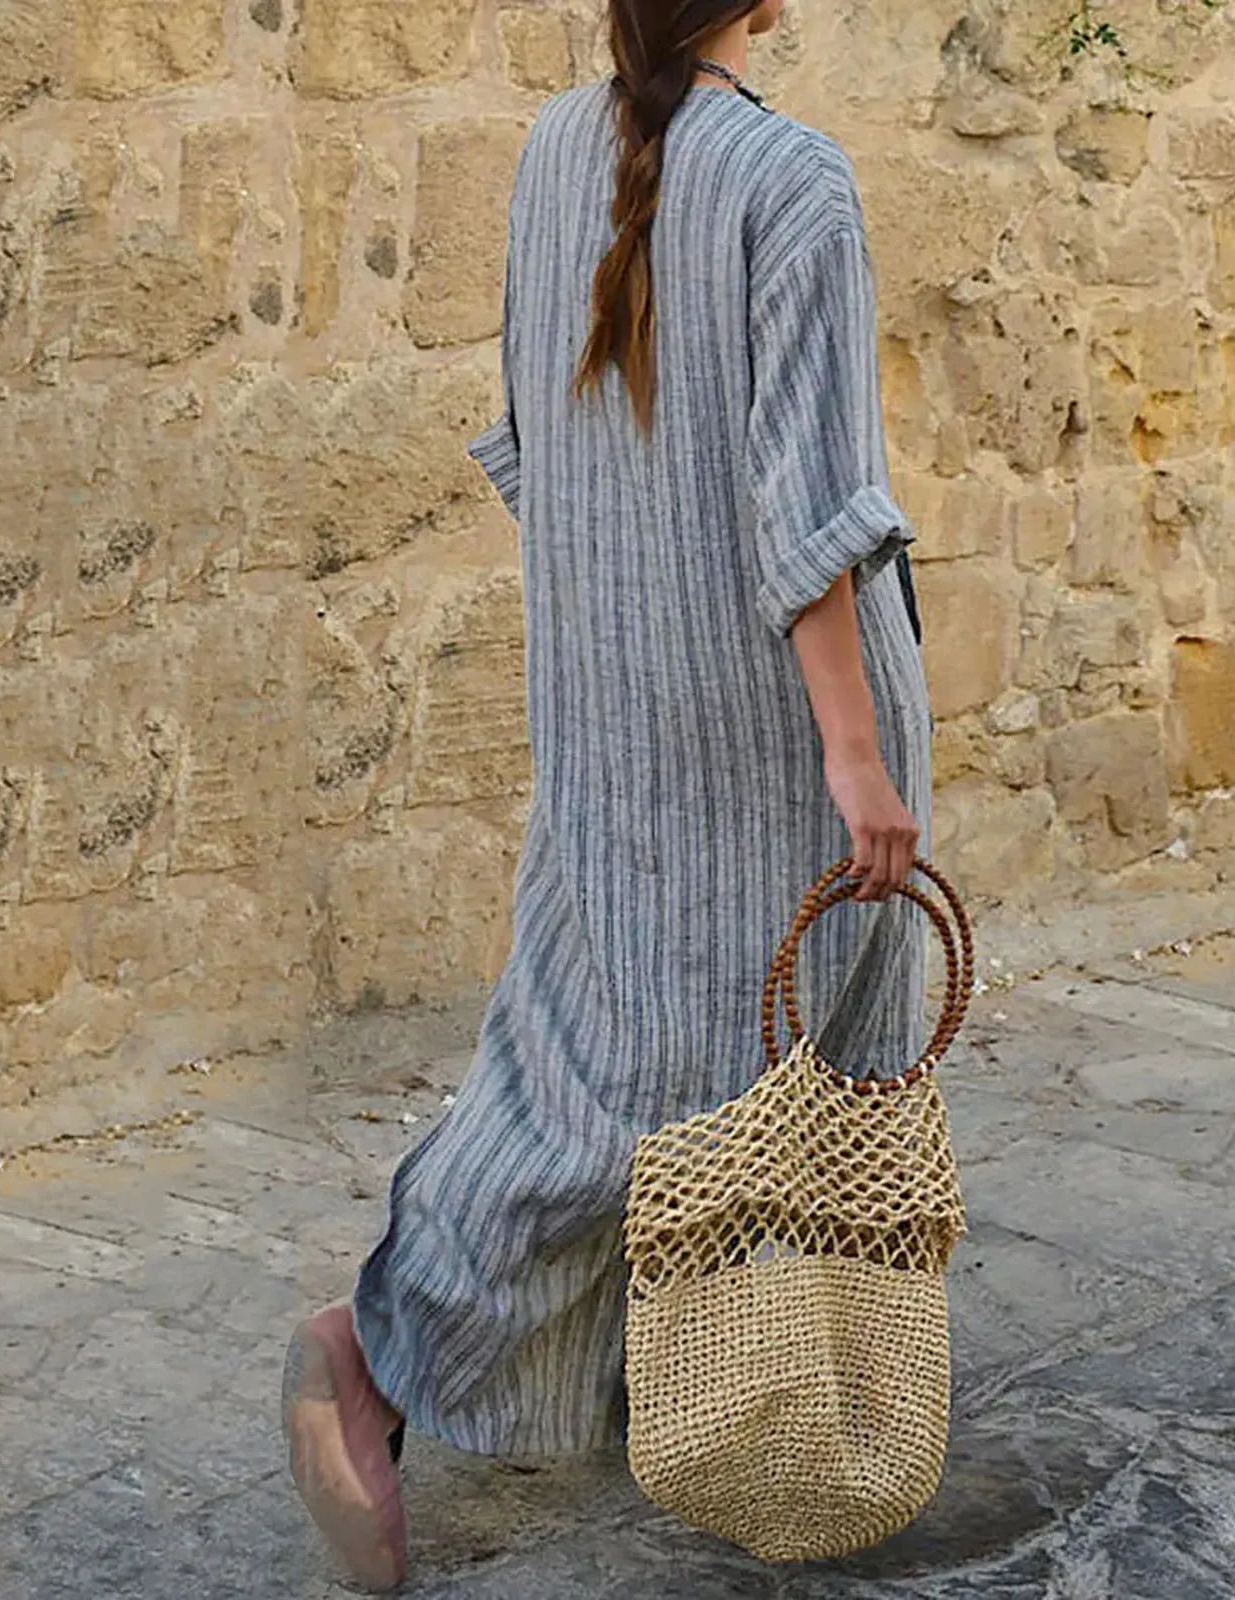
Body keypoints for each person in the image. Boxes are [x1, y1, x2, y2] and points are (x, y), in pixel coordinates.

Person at [280, 1, 931, 1588]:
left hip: (618, 705)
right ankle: (379, 1344)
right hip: (778, 734)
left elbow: (541, 451)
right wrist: (857, 757)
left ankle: (705, 1400)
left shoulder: (552, 149)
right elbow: (812, 513)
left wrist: (615, 664)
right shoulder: (794, 180)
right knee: (711, 1080)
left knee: (631, 1053)